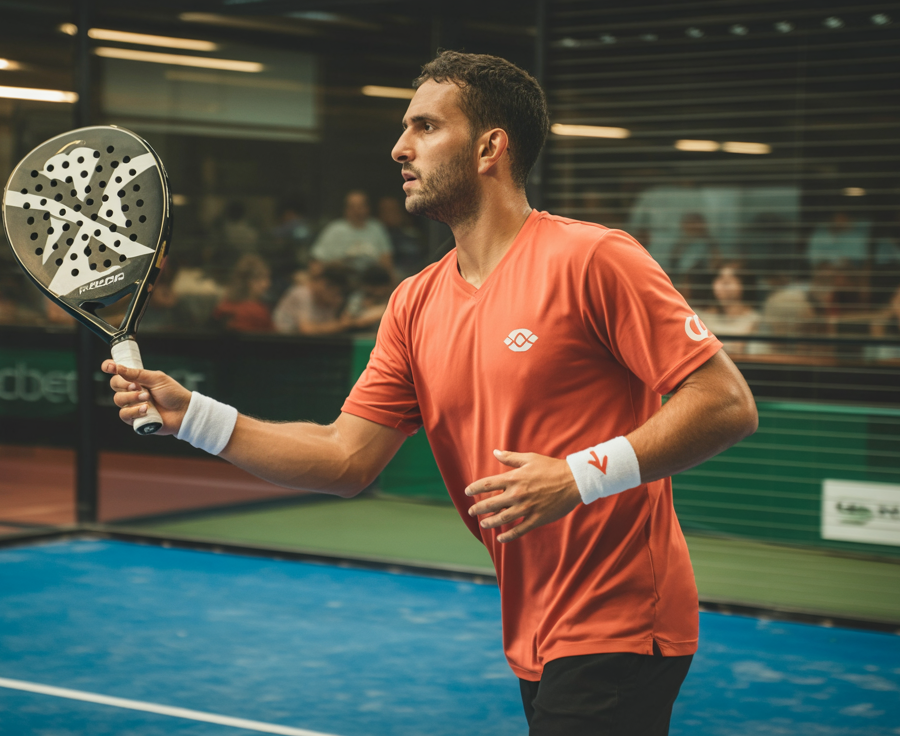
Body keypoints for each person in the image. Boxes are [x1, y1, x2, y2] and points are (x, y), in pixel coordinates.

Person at [103, 51, 757, 735]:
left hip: (620, 618)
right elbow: (343, 457)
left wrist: (579, 476)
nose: (398, 148)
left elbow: (725, 402)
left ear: (488, 149)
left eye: (423, 127)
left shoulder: (594, 258)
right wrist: (193, 418)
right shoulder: (414, 303)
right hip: (534, 618)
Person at [310, 190, 393, 272]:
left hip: (371, 279)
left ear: (367, 208)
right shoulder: (334, 229)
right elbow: (316, 261)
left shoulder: (377, 228)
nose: (356, 211)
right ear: (346, 209)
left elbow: (387, 260)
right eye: (352, 207)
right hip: (341, 277)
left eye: (360, 207)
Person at [271, 263, 349, 335]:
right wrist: (342, 324)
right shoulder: (301, 293)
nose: (338, 297)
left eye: (339, 294)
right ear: (323, 284)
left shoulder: (330, 301)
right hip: (281, 341)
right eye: (335, 293)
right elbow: (306, 330)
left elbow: (329, 326)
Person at [213, 254, 274, 333]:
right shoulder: (258, 312)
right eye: (264, 278)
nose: (268, 284)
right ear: (250, 281)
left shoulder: (224, 305)